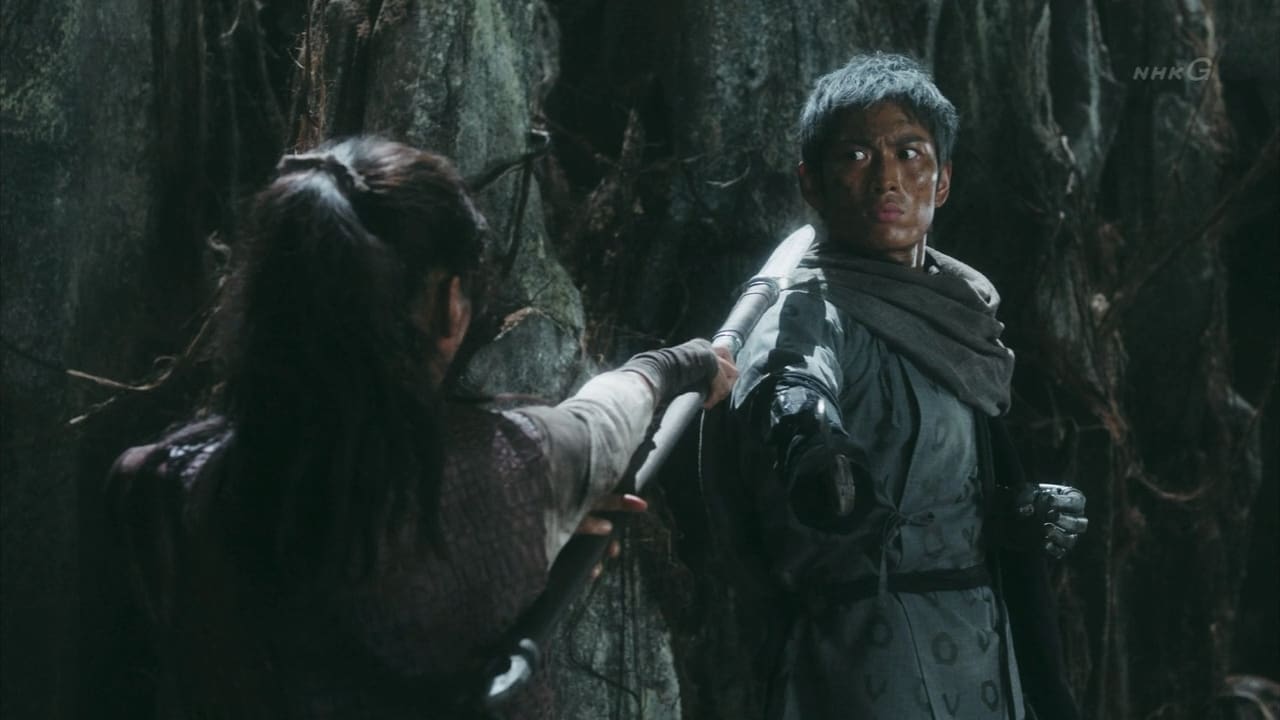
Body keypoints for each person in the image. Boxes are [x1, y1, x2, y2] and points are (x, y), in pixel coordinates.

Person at [106, 137, 736, 719]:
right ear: (448, 304)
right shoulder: (508, 471)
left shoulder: (161, 487)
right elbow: (607, 416)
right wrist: (688, 362)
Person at [715, 53, 1088, 720]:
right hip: (867, 656)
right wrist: (809, 439)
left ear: (942, 181)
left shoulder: (960, 311)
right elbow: (788, 376)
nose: (887, 178)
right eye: (856, 155)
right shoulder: (809, 308)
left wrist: (1010, 512)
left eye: (909, 154)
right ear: (812, 182)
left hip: (984, 648)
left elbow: (939, 474)